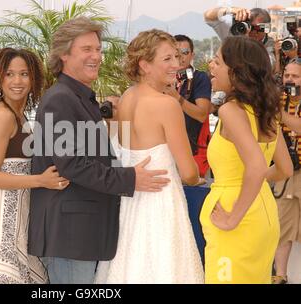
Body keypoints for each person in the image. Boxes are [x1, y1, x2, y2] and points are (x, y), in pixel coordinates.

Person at [28, 17, 171, 284]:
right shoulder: (60, 100)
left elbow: (96, 155)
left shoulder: (80, 98)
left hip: (81, 232)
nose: (97, 56)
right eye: (87, 49)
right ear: (63, 55)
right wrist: (130, 178)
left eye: (98, 49)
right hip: (70, 234)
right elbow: (72, 164)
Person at [94, 29, 204, 284]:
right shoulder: (167, 105)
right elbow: (189, 173)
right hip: (161, 209)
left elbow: (118, 151)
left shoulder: (127, 97)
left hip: (129, 205)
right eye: (167, 59)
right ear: (144, 65)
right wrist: (196, 179)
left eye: (176, 57)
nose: (176, 65)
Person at [0, 48, 69, 284]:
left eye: (24, 74)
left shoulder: (20, 115)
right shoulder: (3, 115)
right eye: (9, 74)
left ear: (34, 78)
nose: (17, 81)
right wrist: (40, 180)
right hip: (1, 217)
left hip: (19, 216)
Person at [200, 36, 293, 284]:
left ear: (236, 71)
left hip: (236, 215)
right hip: (263, 212)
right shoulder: (266, 111)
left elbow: (257, 166)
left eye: (218, 61)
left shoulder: (231, 111)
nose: (211, 65)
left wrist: (233, 217)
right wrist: (253, 180)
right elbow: (284, 168)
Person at [164, 34, 212, 177]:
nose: (181, 58)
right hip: (166, 151)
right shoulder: (165, 78)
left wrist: (177, 97)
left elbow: (202, 114)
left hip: (191, 151)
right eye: (176, 54)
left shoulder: (199, 78)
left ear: (192, 55)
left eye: (185, 53)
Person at [272, 59, 301, 284]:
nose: (289, 80)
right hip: (286, 171)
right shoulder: (278, 100)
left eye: (295, 76)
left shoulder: (280, 108)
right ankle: (280, 275)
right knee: (282, 224)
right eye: (287, 75)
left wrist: (279, 114)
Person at [204, 6, 276, 67]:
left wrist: (246, 44)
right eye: (250, 26)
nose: (253, 32)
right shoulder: (234, 33)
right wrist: (229, 10)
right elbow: (208, 17)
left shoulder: (269, 44)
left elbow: (268, 64)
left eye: (258, 28)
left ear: (266, 29)